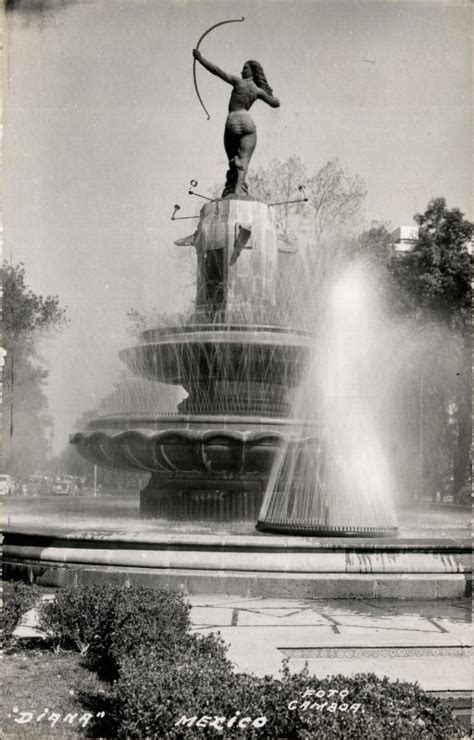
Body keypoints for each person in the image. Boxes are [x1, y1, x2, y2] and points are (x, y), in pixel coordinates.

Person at [193, 50, 280, 197]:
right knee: (244, 160)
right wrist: (268, 93)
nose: (241, 71)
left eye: (245, 68)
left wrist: (200, 58)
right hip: (247, 123)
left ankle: (235, 186)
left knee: (233, 160)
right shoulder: (257, 91)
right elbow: (276, 103)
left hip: (232, 121)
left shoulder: (238, 82)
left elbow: (217, 71)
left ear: (252, 71)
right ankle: (238, 189)